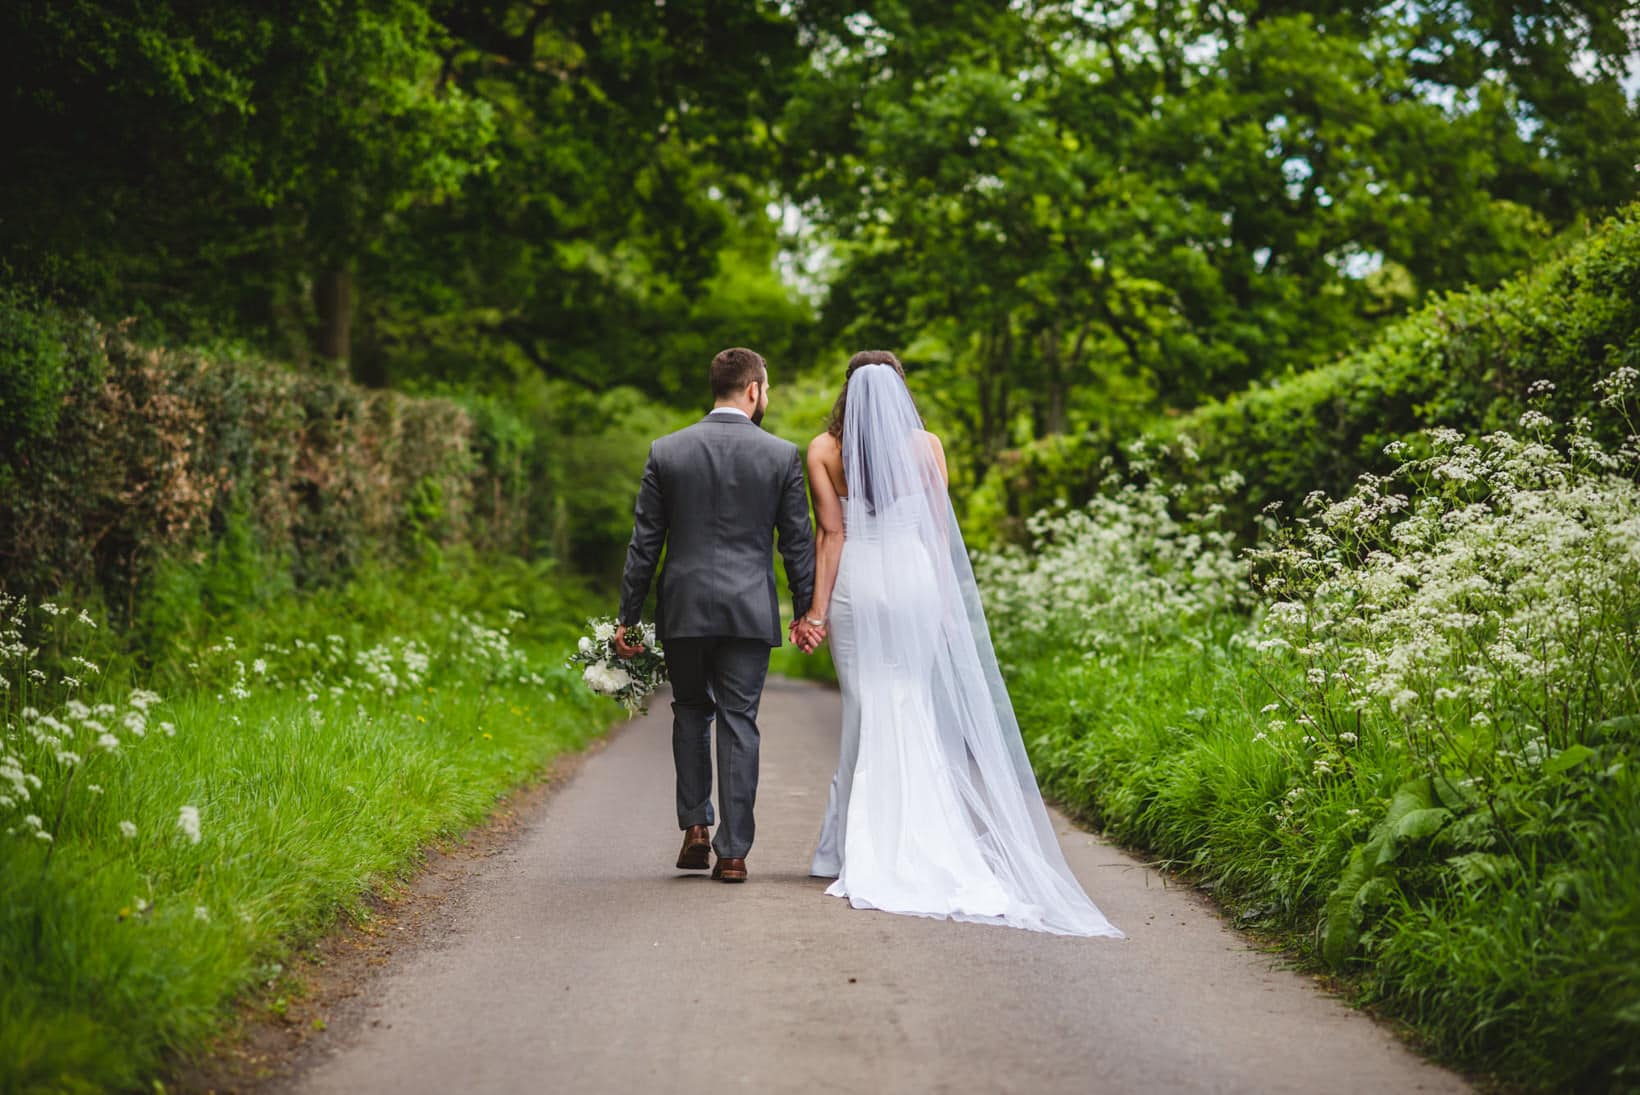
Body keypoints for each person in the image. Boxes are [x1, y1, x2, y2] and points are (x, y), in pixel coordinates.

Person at [796, 351, 1123, 937]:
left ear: (848, 391)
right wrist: (947, 605)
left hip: (860, 583)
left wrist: (816, 611)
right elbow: (938, 532)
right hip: (917, 578)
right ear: (899, 390)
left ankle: (842, 850)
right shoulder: (927, 446)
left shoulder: (824, 450)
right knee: (912, 701)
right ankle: (925, 833)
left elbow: (831, 534)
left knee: (865, 709)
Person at [616, 347, 816, 884]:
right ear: (753, 390)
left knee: (689, 710)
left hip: (683, 607)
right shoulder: (780, 456)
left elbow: (644, 543)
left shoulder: (668, 451)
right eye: (766, 388)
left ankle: (696, 827)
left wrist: (627, 617)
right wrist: (806, 610)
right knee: (738, 721)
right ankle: (732, 853)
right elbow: (796, 544)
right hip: (749, 610)